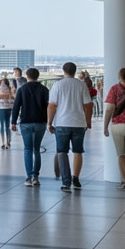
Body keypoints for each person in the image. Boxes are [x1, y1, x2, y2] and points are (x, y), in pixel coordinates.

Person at [47, 62, 93, 192]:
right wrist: (88, 121)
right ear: (75, 71)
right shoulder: (81, 84)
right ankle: (76, 178)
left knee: (62, 151)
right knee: (78, 151)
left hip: (61, 122)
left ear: (63, 70)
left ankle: (66, 182)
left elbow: (52, 105)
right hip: (79, 123)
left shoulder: (57, 85)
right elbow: (88, 105)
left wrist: (49, 122)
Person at [12, 67, 50, 187]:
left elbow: (16, 106)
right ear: (38, 76)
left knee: (28, 149)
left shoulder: (22, 89)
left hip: (26, 122)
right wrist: (50, 122)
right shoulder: (44, 89)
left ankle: (29, 177)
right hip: (40, 122)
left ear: (27, 76)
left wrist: (13, 122)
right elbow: (49, 106)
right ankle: (36, 177)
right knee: (36, 149)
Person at [0, 73, 15, 150]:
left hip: (0, 107)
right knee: (7, 124)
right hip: (8, 107)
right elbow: (13, 97)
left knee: (2, 124)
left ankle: (3, 142)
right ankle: (8, 141)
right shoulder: (10, 89)